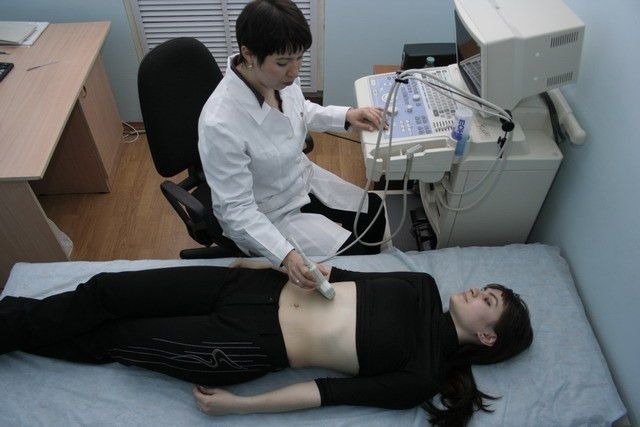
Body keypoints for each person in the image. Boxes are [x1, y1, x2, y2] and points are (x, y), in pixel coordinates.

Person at [0, 259, 533, 426]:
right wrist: (269, 262)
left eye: (487, 300)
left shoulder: (420, 374)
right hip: (248, 288)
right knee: (106, 290)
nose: (476, 291)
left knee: (114, 339)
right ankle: (10, 320)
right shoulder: (422, 284)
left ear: (488, 336)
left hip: (245, 343)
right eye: (485, 289)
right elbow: (333, 273)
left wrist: (240, 406)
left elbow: (323, 393)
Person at [197, 0, 388, 289]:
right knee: (354, 258)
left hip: (299, 178)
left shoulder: (277, 78)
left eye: (299, 58)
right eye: (284, 62)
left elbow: (301, 110)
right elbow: (236, 211)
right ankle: (360, 288)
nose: (295, 71)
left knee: (374, 212)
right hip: (270, 213)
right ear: (248, 54)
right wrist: (286, 255)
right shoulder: (220, 123)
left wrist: (346, 115)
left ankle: (375, 275)